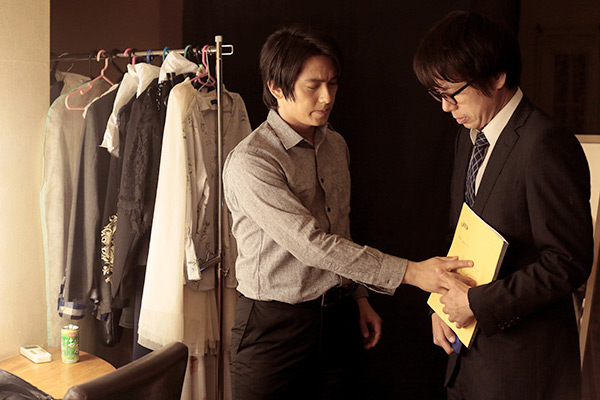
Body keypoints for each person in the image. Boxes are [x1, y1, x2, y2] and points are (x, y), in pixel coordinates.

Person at [223, 25, 473, 400]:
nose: (327, 97)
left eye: (333, 83)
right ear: (276, 87)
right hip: (273, 326)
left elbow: (338, 228)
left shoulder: (335, 144)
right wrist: (412, 272)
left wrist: (358, 297)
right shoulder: (252, 161)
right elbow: (311, 245)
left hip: (337, 317)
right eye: (313, 86)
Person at [413, 11, 593, 400]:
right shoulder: (468, 136)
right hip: (465, 359)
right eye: (437, 95)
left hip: (523, 368)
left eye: (453, 93)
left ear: (497, 76)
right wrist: (442, 307)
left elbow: (568, 261)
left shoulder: (546, 144)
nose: (446, 107)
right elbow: (462, 236)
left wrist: (476, 303)